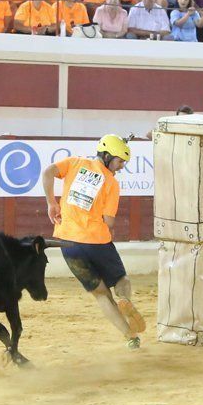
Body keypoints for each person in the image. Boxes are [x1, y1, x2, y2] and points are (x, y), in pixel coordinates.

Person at [42, 134, 145, 350]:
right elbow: (109, 221)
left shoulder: (74, 163)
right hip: (97, 240)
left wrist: (51, 203)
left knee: (100, 294)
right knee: (121, 280)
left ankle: (130, 337)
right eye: (119, 161)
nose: (121, 167)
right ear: (107, 156)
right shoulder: (111, 183)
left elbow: (48, 171)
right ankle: (125, 299)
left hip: (68, 243)